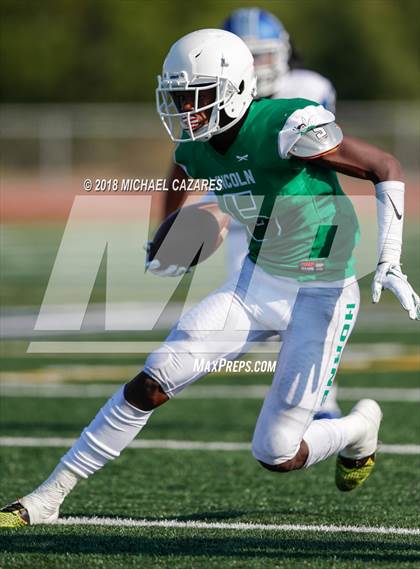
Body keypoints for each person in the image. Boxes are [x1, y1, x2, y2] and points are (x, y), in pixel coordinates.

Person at [1, 29, 418, 528]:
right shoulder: (196, 146)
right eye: (178, 98)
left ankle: (359, 427)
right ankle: (49, 496)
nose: (185, 110)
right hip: (258, 285)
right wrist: (178, 228)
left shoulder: (283, 125)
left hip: (322, 291)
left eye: (196, 98)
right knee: (153, 379)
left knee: (276, 452)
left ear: (236, 90)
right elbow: (195, 176)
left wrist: (389, 256)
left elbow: (384, 166)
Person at [163, 7, 342, 419]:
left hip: (302, 221)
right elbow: (183, 162)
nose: (260, 67)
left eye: (265, 55)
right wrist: (169, 226)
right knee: (255, 318)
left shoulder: (308, 89)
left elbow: (331, 155)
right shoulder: (208, 94)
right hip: (242, 218)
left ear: (282, 54)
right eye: (251, 56)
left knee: (309, 314)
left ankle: (323, 405)